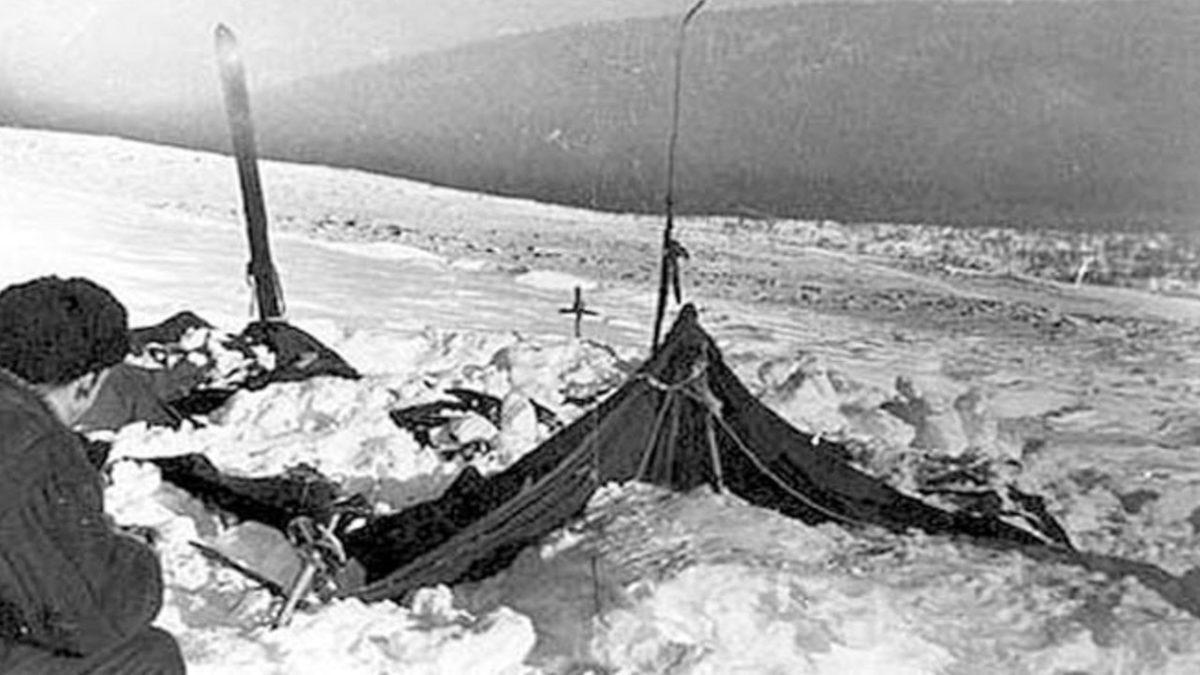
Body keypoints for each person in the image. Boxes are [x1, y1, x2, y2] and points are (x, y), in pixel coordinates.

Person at [0, 276, 185, 674]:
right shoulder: (34, 445)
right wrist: (138, 558)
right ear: (87, 383)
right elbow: (91, 617)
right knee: (149, 656)